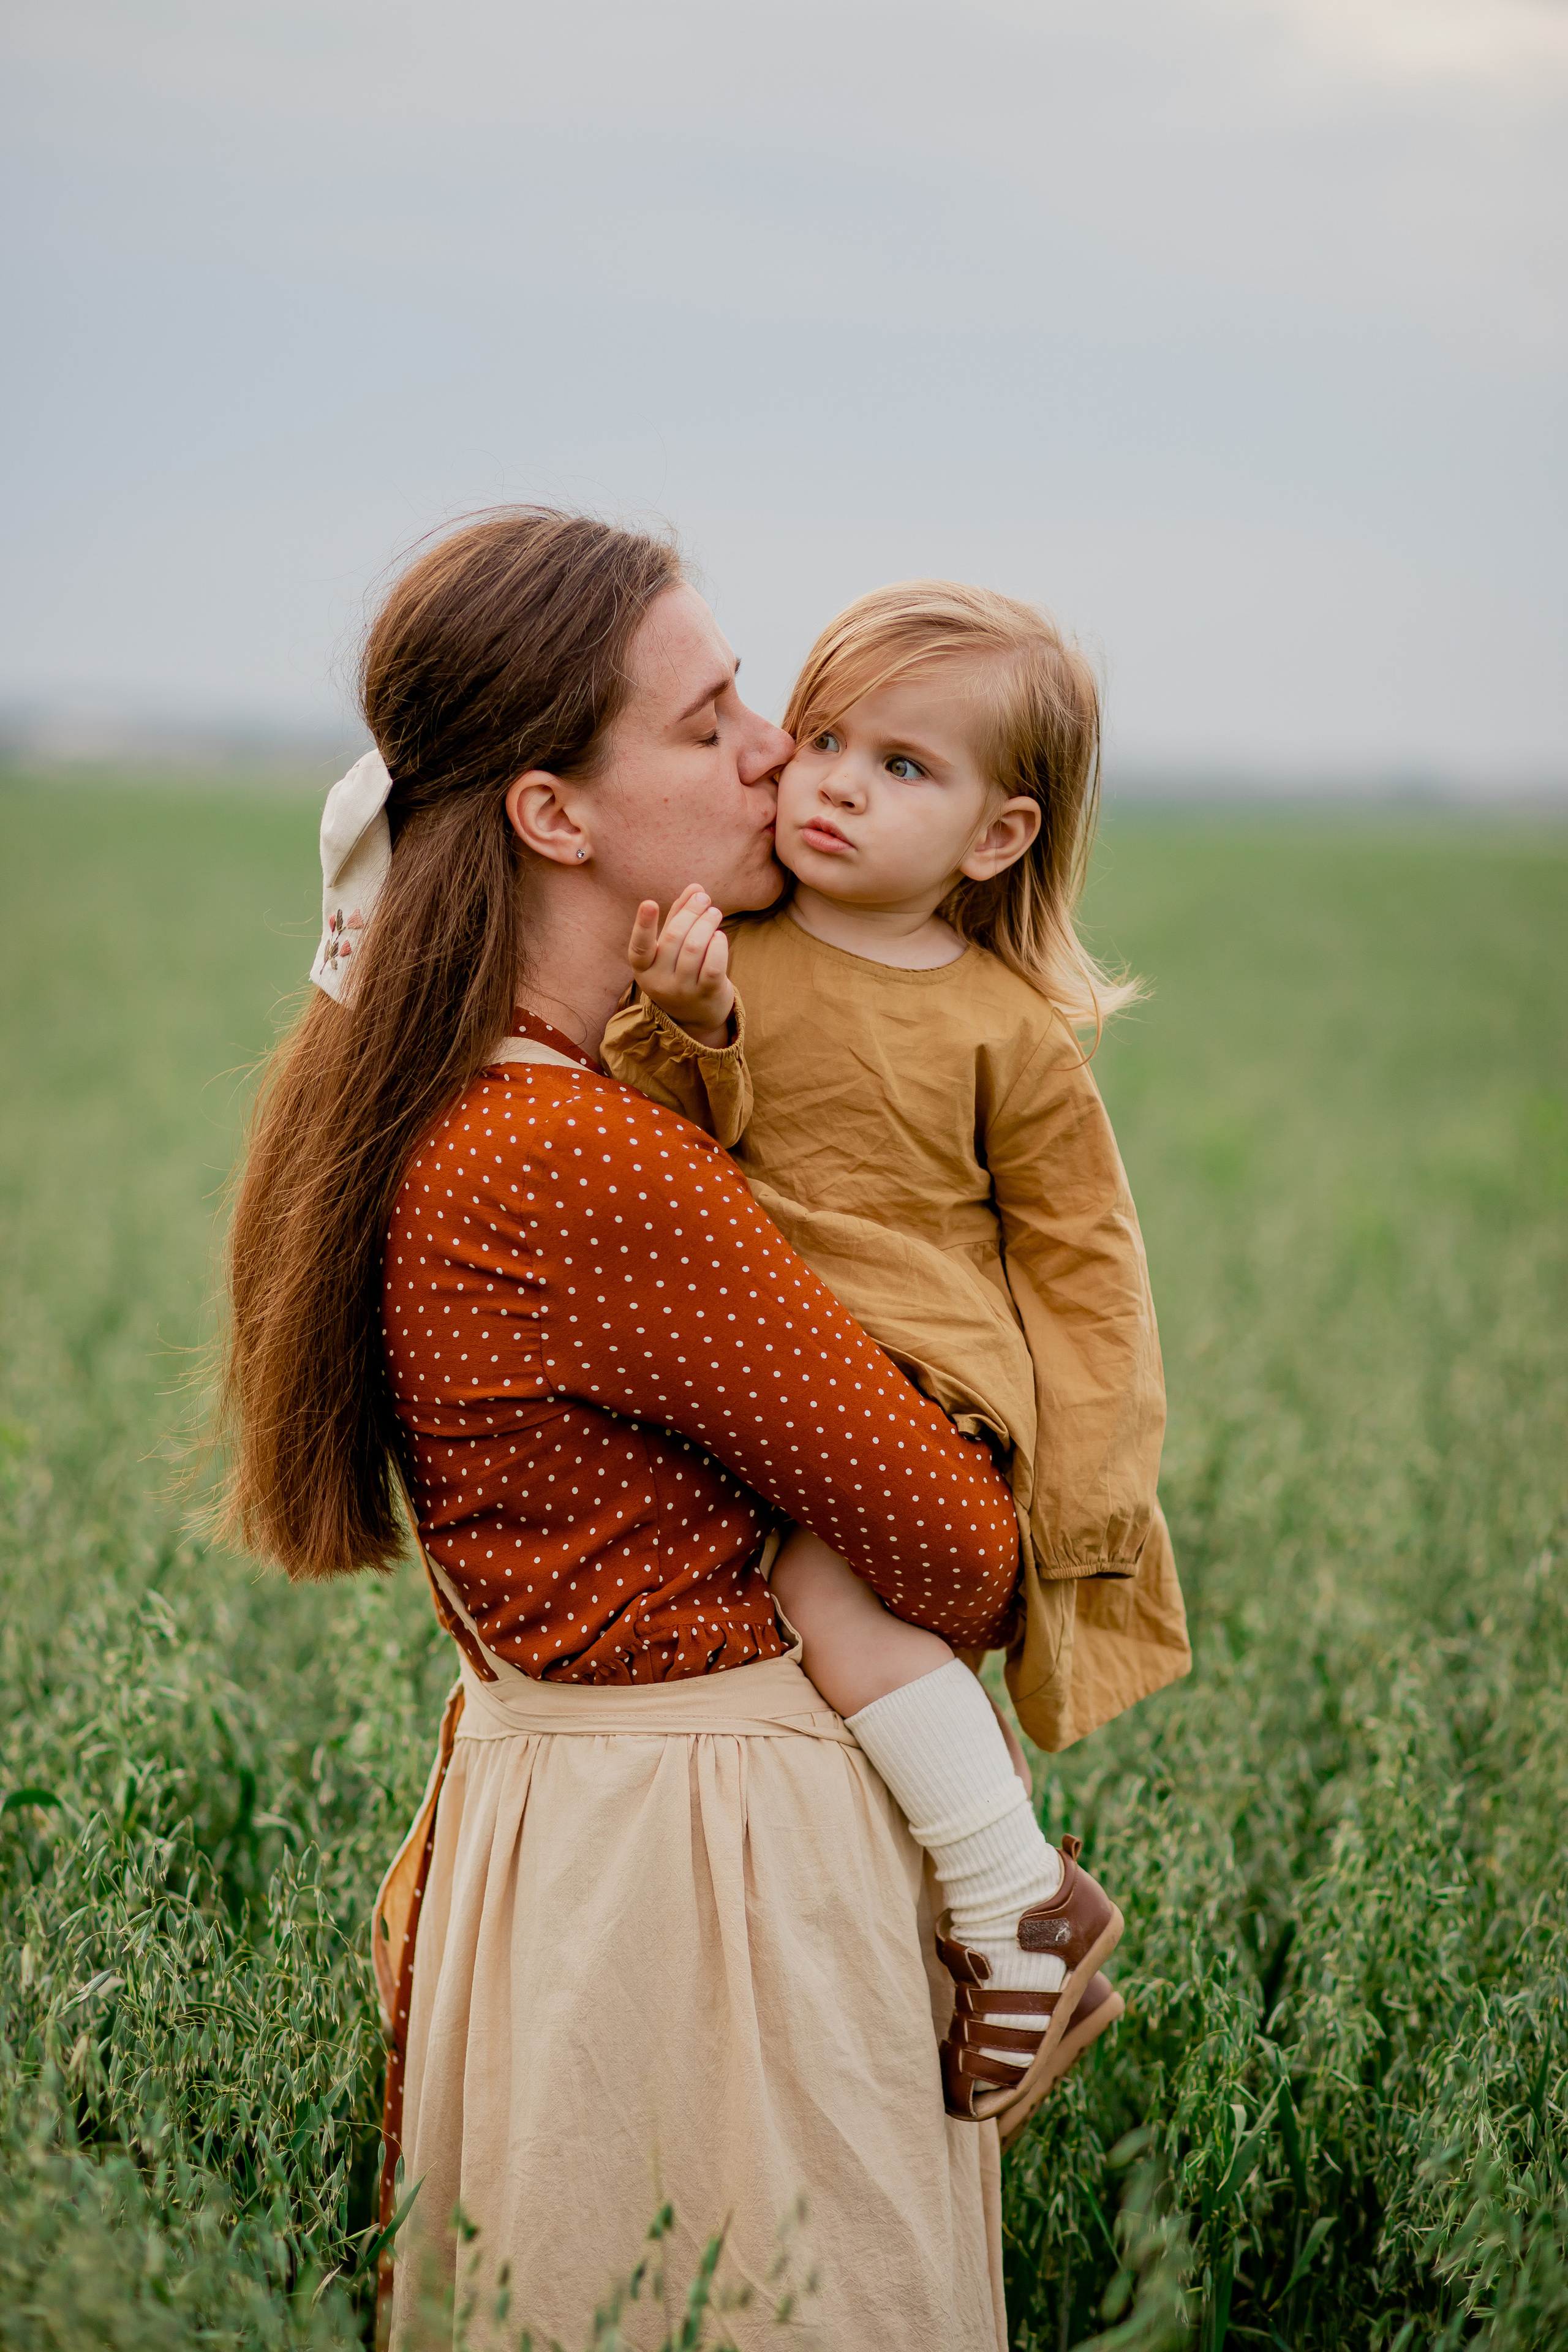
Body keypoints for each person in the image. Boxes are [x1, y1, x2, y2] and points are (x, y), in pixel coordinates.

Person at [217, 511, 1117, 2352]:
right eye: (713, 724)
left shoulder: (490, 1105)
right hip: (712, 1910)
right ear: (558, 815)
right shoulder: (581, 1155)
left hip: (594, 1858)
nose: (780, 752)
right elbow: (953, 1547)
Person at [601, 579, 1190, 2120]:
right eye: (828, 739)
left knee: (826, 1596)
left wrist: (1088, 1496)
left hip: (922, 1379)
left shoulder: (1007, 1032)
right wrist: (683, 1021)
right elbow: (662, 1150)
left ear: (996, 837)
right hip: (769, 1366)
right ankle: (922, 1924)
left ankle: (1016, 1902)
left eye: (905, 768)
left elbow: (1085, 1273)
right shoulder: (727, 949)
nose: (838, 785)